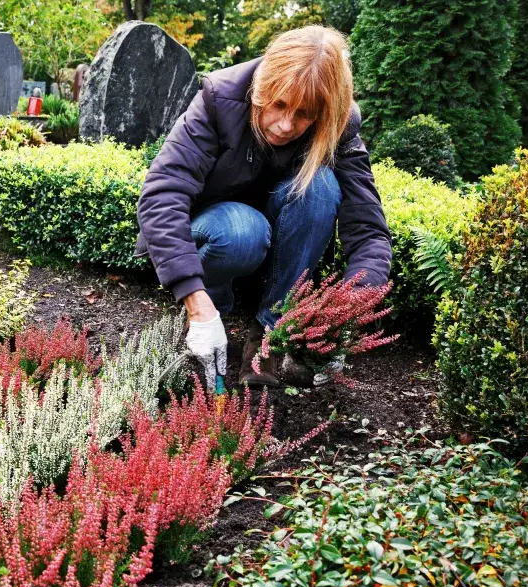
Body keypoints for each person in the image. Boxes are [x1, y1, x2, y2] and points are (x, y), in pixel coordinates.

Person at [136, 26, 392, 390]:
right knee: (243, 230)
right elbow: (162, 195)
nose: (286, 125)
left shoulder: (338, 125)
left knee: (319, 188)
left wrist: (349, 306)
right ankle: (214, 308)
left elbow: (367, 226)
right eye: (279, 104)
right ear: (262, 86)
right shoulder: (220, 97)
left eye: (304, 114)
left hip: (278, 249)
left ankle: (271, 330)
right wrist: (196, 300)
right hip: (218, 234)